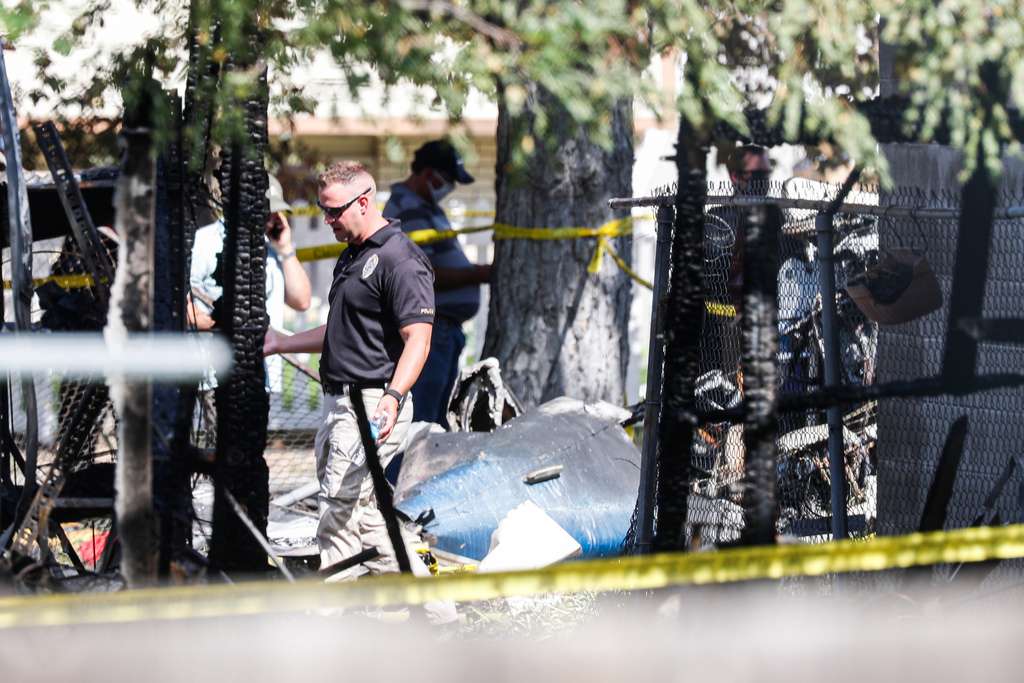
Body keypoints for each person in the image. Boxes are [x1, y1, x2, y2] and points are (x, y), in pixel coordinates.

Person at [264, 160, 435, 580]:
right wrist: (280, 343)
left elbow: (419, 339)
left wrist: (393, 399)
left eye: (335, 210)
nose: (328, 220)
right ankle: (434, 611)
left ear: (364, 201)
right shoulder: (354, 256)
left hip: (372, 403)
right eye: (324, 210)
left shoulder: (400, 258)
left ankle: (331, 624)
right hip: (340, 402)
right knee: (362, 514)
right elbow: (338, 330)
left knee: (337, 514)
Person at [383, 140, 491, 428]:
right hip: (431, 328)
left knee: (436, 420)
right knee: (420, 422)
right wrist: (477, 274)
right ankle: (403, 474)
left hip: (444, 331)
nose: (450, 187)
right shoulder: (407, 208)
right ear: (429, 174)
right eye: (448, 180)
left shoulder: (427, 207)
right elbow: (422, 273)